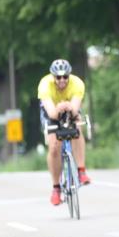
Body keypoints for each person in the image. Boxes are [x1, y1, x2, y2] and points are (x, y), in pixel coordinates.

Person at [38, 59, 90, 206]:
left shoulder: (77, 83)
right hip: (51, 111)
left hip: (70, 109)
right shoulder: (44, 85)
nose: (62, 80)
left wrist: (70, 108)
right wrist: (59, 108)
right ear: (53, 77)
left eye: (65, 77)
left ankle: (81, 170)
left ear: (69, 76)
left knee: (77, 128)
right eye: (58, 77)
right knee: (54, 146)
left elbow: (75, 109)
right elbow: (52, 114)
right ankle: (56, 188)